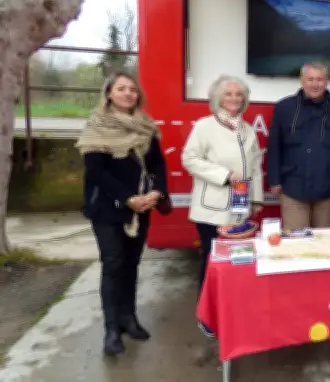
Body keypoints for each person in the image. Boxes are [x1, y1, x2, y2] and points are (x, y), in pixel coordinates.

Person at [76, 71, 169, 357]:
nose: (129, 93)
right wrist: (127, 198)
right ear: (109, 94)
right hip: (109, 210)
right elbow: (97, 172)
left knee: (131, 264)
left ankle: (129, 319)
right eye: (121, 89)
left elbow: (157, 165)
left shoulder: (145, 127)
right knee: (113, 264)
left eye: (133, 89)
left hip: (141, 208)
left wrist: (156, 192)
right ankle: (111, 329)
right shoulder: (96, 127)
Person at [182, 75, 264, 337]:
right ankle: (207, 316)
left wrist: (256, 198)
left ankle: (230, 310)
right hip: (211, 208)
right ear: (218, 98)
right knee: (212, 261)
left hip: (239, 208)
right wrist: (224, 175)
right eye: (228, 94)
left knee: (236, 263)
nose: (234, 99)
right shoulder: (205, 126)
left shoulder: (247, 130)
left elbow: (254, 168)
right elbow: (190, 159)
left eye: (239, 94)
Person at [267, 62, 330, 230]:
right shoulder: (284, 108)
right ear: (301, 80)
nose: (315, 84)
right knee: (296, 243)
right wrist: (274, 180)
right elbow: (275, 146)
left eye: (319, 79)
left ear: (326, 82)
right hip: (293, 187)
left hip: (328, 188)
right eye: (310, 79)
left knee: (323, 242)